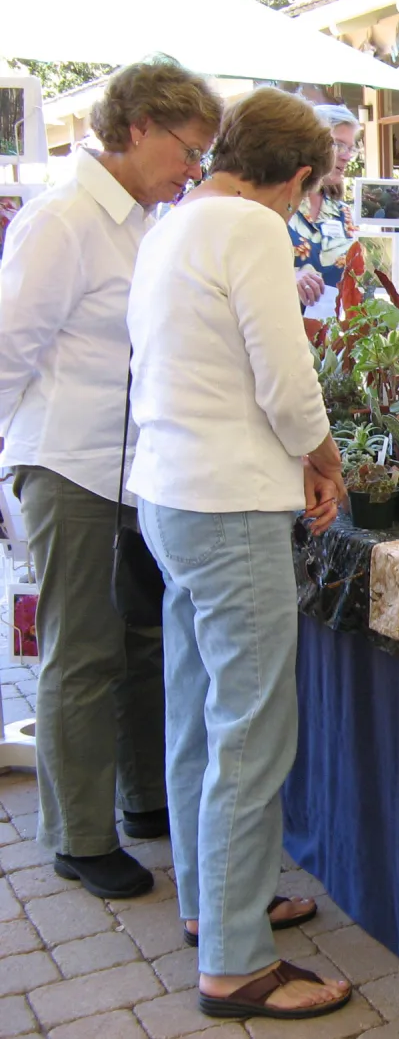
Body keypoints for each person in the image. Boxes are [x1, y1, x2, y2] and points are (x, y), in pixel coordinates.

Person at [126, 87, 350, 1021]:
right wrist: (327, 458)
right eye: (309, 193)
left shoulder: (173, 223)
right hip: (228, 508)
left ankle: (211, 902)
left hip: (169, 497)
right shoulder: (254, 231)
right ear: (298, 176)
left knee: (197, 716)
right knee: (252, 731)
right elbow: (285, 377)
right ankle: (233, 962)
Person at [0, 58, 222, 900]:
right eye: (188, 147)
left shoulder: (139, 218)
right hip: (70, 464)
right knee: (82, 652)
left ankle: (140, 802)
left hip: (135, 472)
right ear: (138, 130)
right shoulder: (61, 219)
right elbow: (6, 350)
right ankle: (78, 836)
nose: (194, 167)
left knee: (137, 645)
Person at [289, 102, 360, 317]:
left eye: (351, 148)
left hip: (332, 342)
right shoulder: (276, 203)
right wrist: (288, 278)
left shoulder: (342, 212)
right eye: (338, 145)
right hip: (281, 333)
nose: (347, 156)